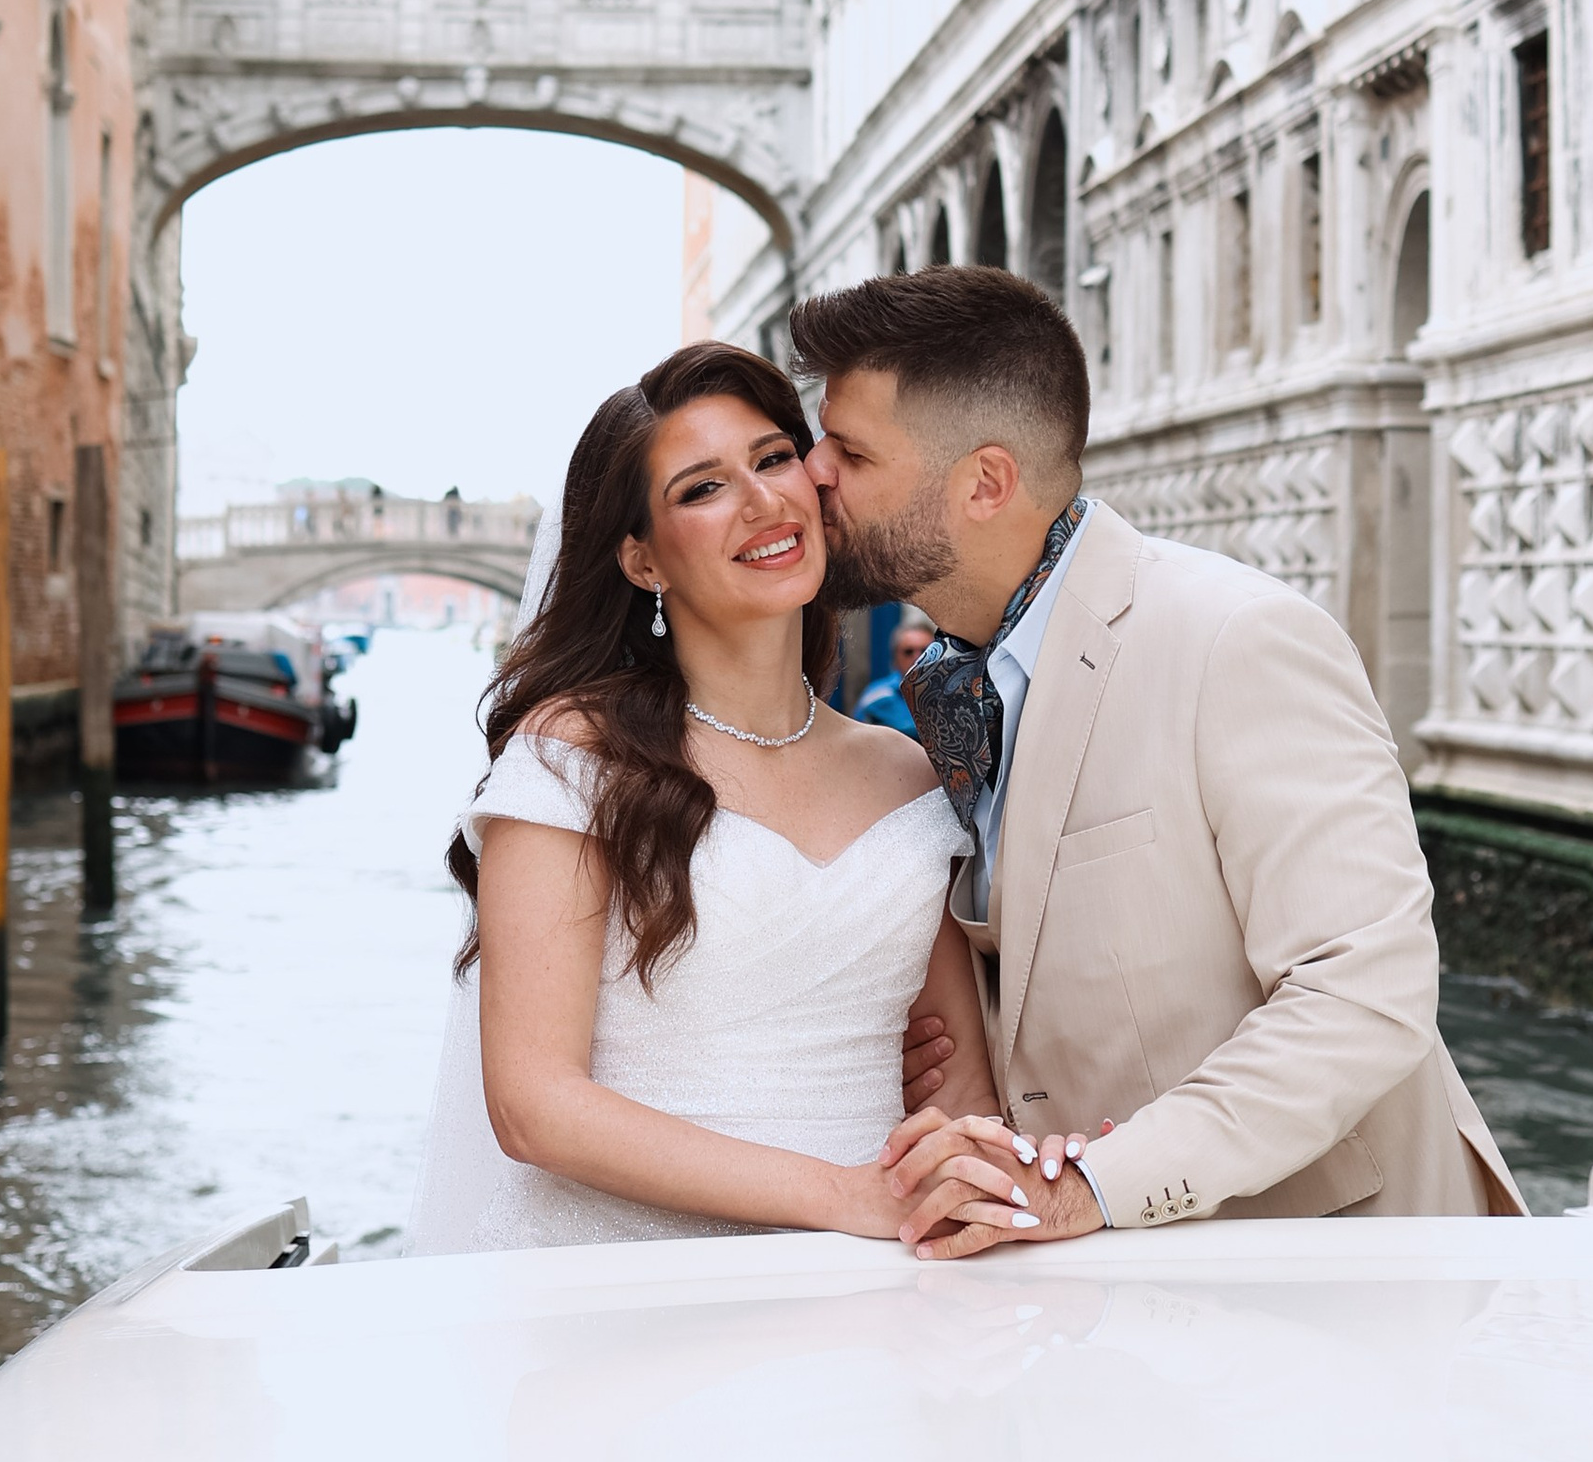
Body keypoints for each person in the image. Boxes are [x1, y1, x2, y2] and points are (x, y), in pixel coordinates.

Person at [792, 266, 1521, 1250]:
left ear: (985, 483)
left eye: (849, 450)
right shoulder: (950, 694)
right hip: (1110, 1312)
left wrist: (1091, 1183)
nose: (813, 472)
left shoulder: (1238, 639)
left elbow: (1361, 994)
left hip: (1340, 1275)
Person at [407, 342, 1029, 1255]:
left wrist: (964, 1194)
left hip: (880, 1276)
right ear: (643, 562)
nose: (763, 501)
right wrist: (842, 1196)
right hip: (636, 1284)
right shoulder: (575, 756)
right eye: (701, 489)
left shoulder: (905, 770)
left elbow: (959, 1082)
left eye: (774, 459)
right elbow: (533, 1106)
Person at [851, 607, 936, 738]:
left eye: (925, 651)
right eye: (909, 652)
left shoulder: (954, 694)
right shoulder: (876, 698)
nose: (918, 658)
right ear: (895, 659)